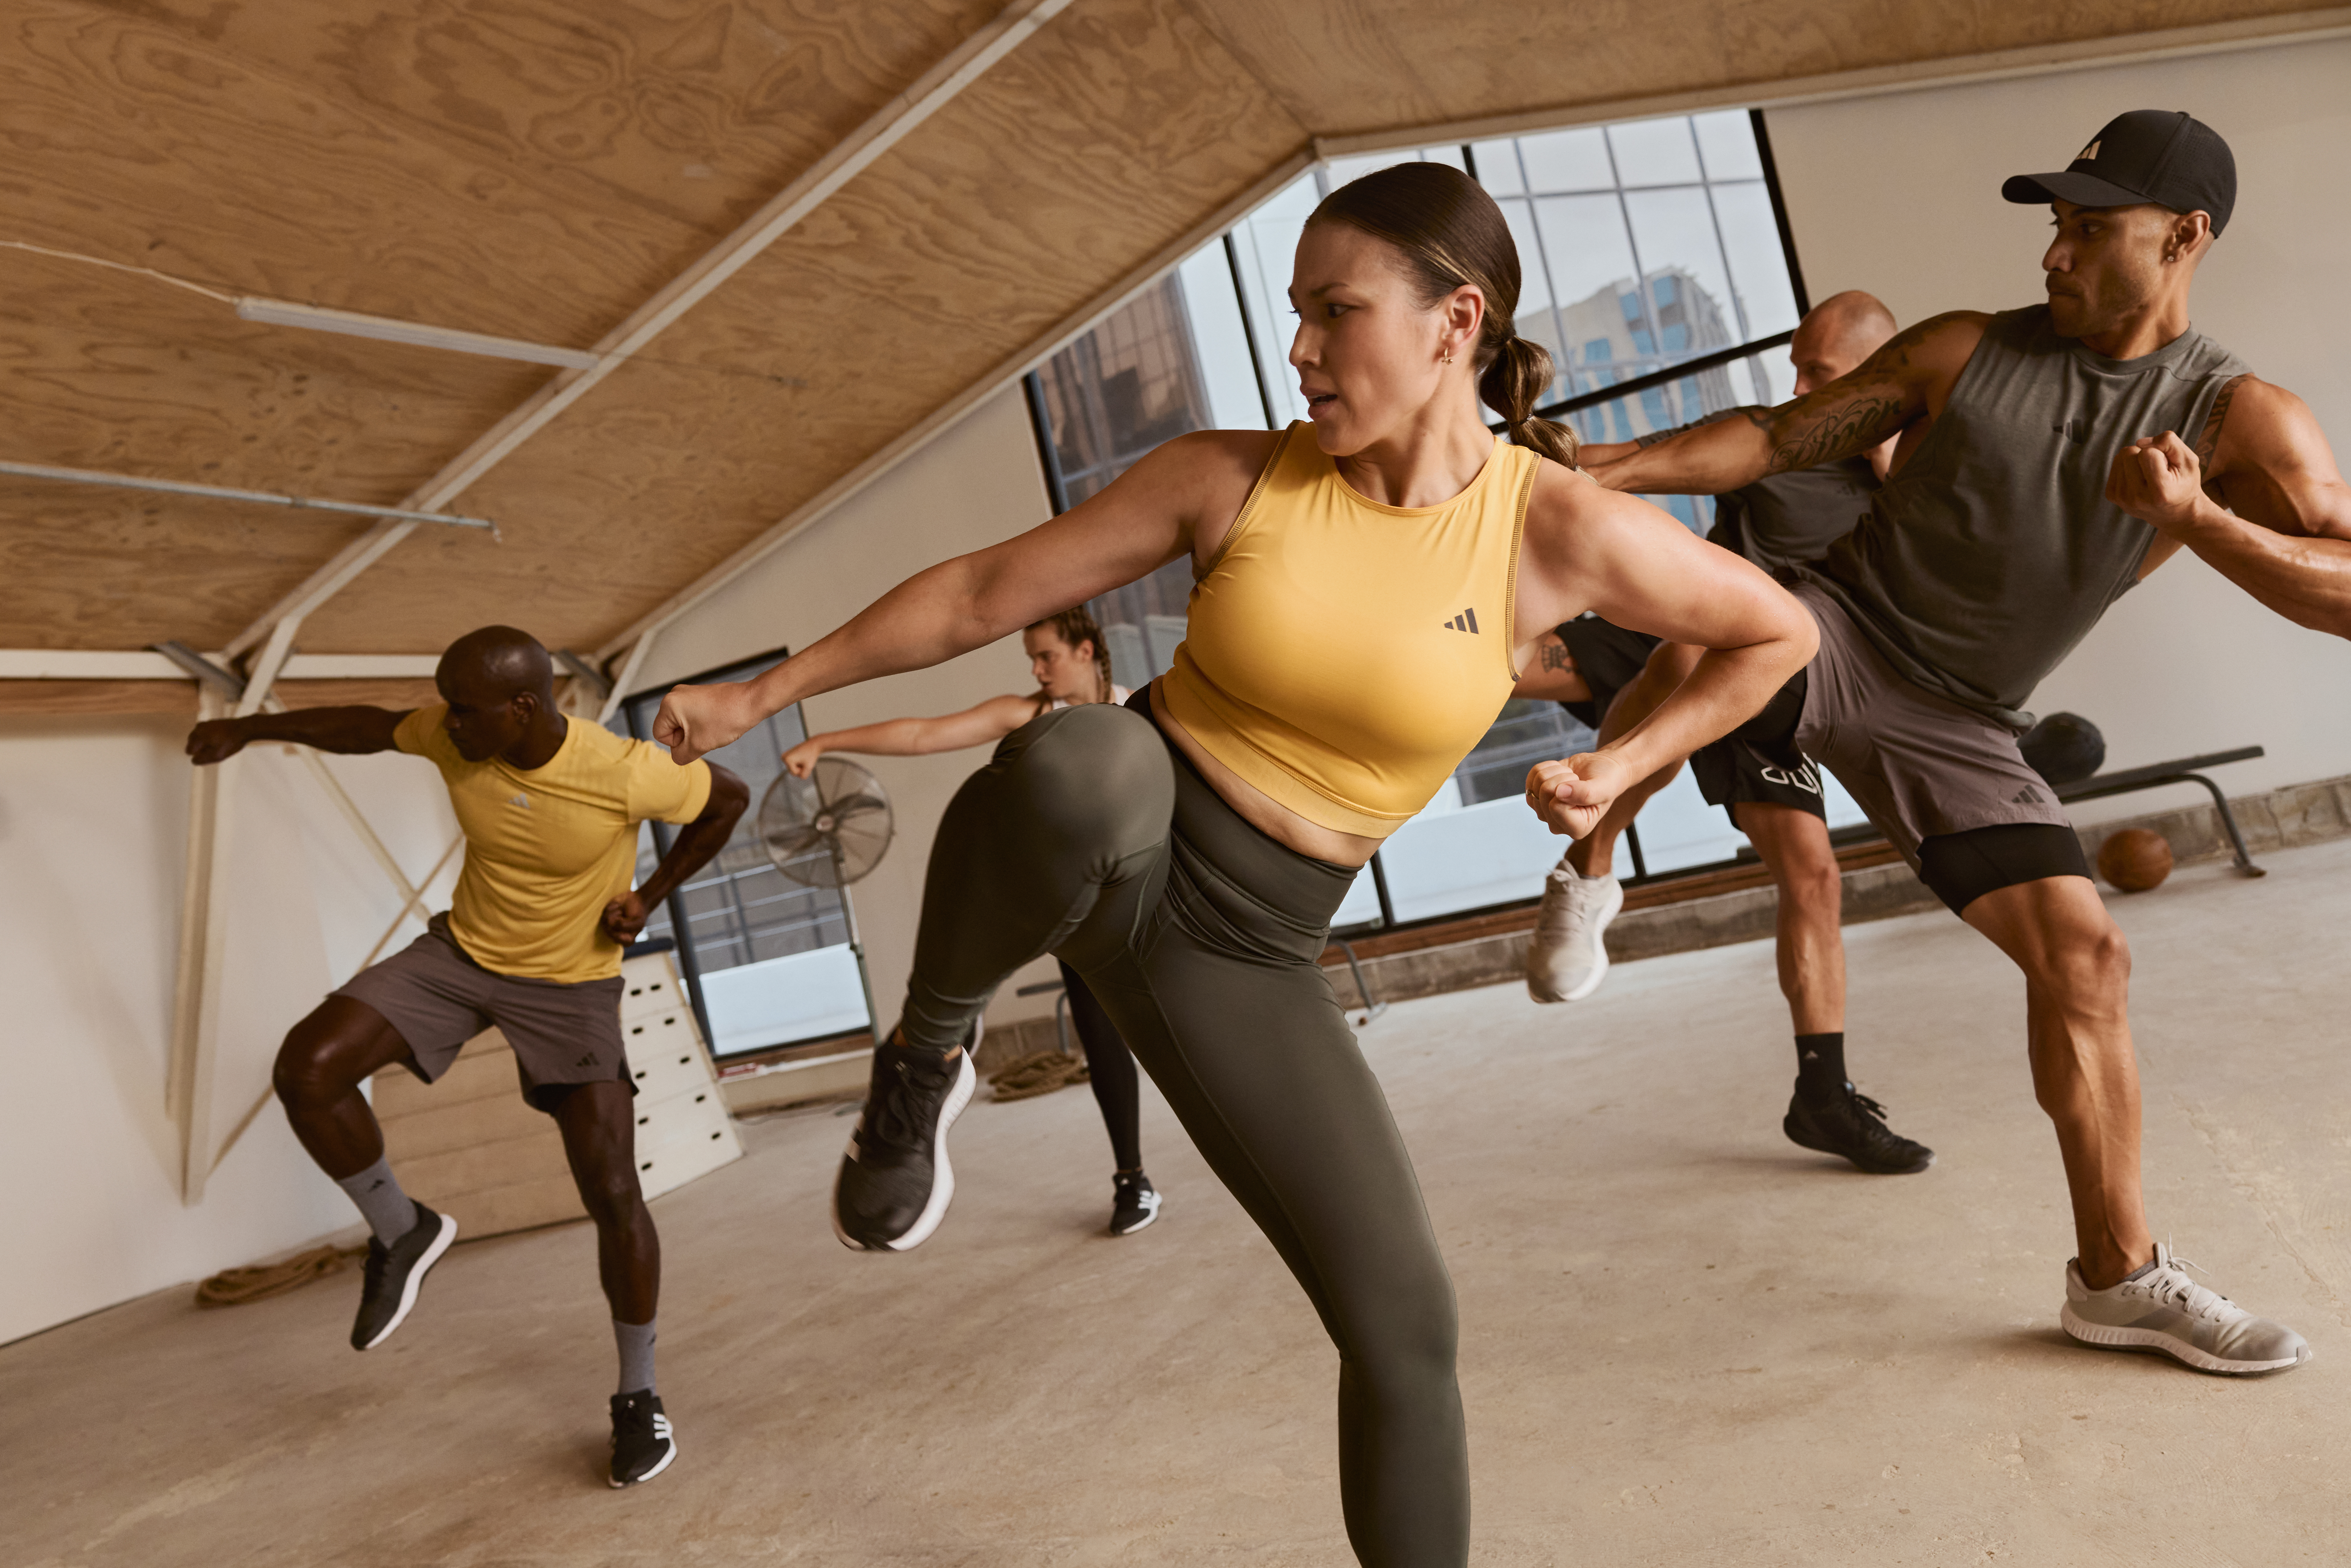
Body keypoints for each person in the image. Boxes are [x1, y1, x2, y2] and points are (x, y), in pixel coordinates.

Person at [649, 162, 1816, 1563]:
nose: (1303, 349)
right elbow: (976, 595)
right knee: (1084, 754)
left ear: (1457, 323)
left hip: (1249, 956)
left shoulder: (1550, 527)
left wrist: (1622, 767)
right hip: (1120, 840)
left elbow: (1775, 634)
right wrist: (761, 698)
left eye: (1336, 311)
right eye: (1292, 316)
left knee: (1408, 1326)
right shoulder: (1233, 477)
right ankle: (927, 1057)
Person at [1584, 110, 2350, 1375]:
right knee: (1703, 627)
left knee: (2086, 958)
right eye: (2054, 226)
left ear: (2184, 237)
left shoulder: (2235, 417)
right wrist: (1604, 465)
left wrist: (2198, 517)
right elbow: (1775, 441)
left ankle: (2116, 1279)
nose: (2053, 255)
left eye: (2089, 228)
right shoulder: (1962, 347)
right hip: (1832, 624)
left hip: (1959, 723)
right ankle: (1590, 862)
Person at [184, 627, 749, 1486]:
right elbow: (369, 724)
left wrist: (649, 895)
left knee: (612, 1190)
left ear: (524, 708)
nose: (447, 725)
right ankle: (402, 1230)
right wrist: (251, 729)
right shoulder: (457, 739)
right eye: (447, 707)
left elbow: (727, 800)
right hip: (461, 958)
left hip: (570, 985)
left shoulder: (624, 768)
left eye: (466, 710)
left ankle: (640, 1396)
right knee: (308, 1068)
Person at [1512, 291, 1934, 1176]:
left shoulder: (1926, 471)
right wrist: (1527, 458)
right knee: (1510, 656)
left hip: (1816, 677)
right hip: (1719, 644)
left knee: (1815, 879)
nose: (1796, 384)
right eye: (1797, 365)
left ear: (1873, 378)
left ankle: (1822, 1095)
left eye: (1817, 372)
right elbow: (1639, 457)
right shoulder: (1774, 442)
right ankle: (1589, 869)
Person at [782, 606, 1163, 1236]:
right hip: (1057, 906)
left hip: (1132, 900)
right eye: (1031, 659)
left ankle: (1144, 1174)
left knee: (1146, 1036)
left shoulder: (1140, 714)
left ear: (1088, 649)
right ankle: (946, 1042)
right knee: (1088, 1029)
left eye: (1046, 655)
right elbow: (920, 734)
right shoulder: (1027, 715)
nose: (1037, 670)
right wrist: (827, 741)